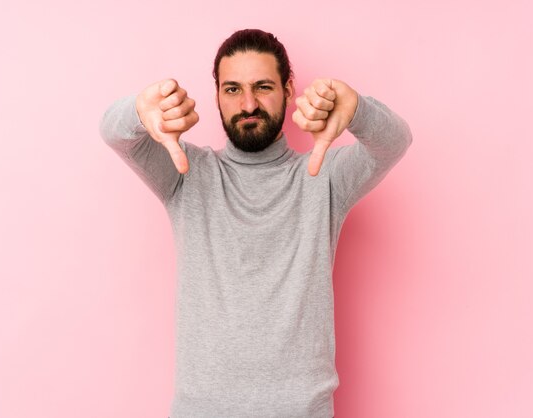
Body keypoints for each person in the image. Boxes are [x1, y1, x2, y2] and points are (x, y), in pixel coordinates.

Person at [100, 28, 412, 418]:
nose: (248, 104)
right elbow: (113, 133)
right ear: (216, 95)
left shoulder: (324, 176)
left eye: (262, 86)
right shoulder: (184, 171)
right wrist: (138, 110)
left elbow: (395, 142)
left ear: (287, 88)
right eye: (232, 89)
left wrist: (358, 110)